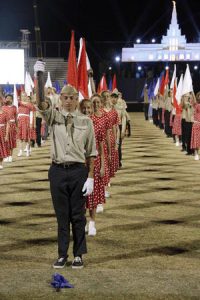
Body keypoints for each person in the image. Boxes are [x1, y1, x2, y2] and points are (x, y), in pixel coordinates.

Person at [34, 61, 96, 269]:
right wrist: (39, 77)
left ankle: (78, 254)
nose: (69, 101)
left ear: (77, 100)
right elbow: (41, 104)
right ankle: (62, 255)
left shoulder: (86, 122)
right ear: (60, 99)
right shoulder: (54, 116)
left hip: (78, 171)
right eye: (65, 97)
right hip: (58, 171)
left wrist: (91, 177)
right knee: (62, 216)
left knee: (77, 215)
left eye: (72, 98)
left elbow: (92, 153)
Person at [80, 98, 105, 236]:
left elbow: (101, 148)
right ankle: (83, 222)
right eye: (84, 108)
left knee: (93, 195)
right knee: (81, 195)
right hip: (79, 164)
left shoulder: (97, 124)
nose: (87, 110)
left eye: (89, 108)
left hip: (94, 164)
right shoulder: (76, 124)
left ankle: (92, 224)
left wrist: (102, 166)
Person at [2, 94, 17, 162]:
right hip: (5, 127)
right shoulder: (3, 107)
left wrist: (17, 126)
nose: (8, 99)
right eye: (7, 98)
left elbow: (16, 118)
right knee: (6, 142)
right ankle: (6, 155)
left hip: (12, 126)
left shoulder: (14, 107)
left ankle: (10, 155)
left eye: (10, 98)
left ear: (12, 99)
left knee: (11, 141)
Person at [0, 97, 9, 169]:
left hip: (2, 132)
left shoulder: (5, 113)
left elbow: (8, 124)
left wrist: (6, 135)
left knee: (2, 147)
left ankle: (0, 163)